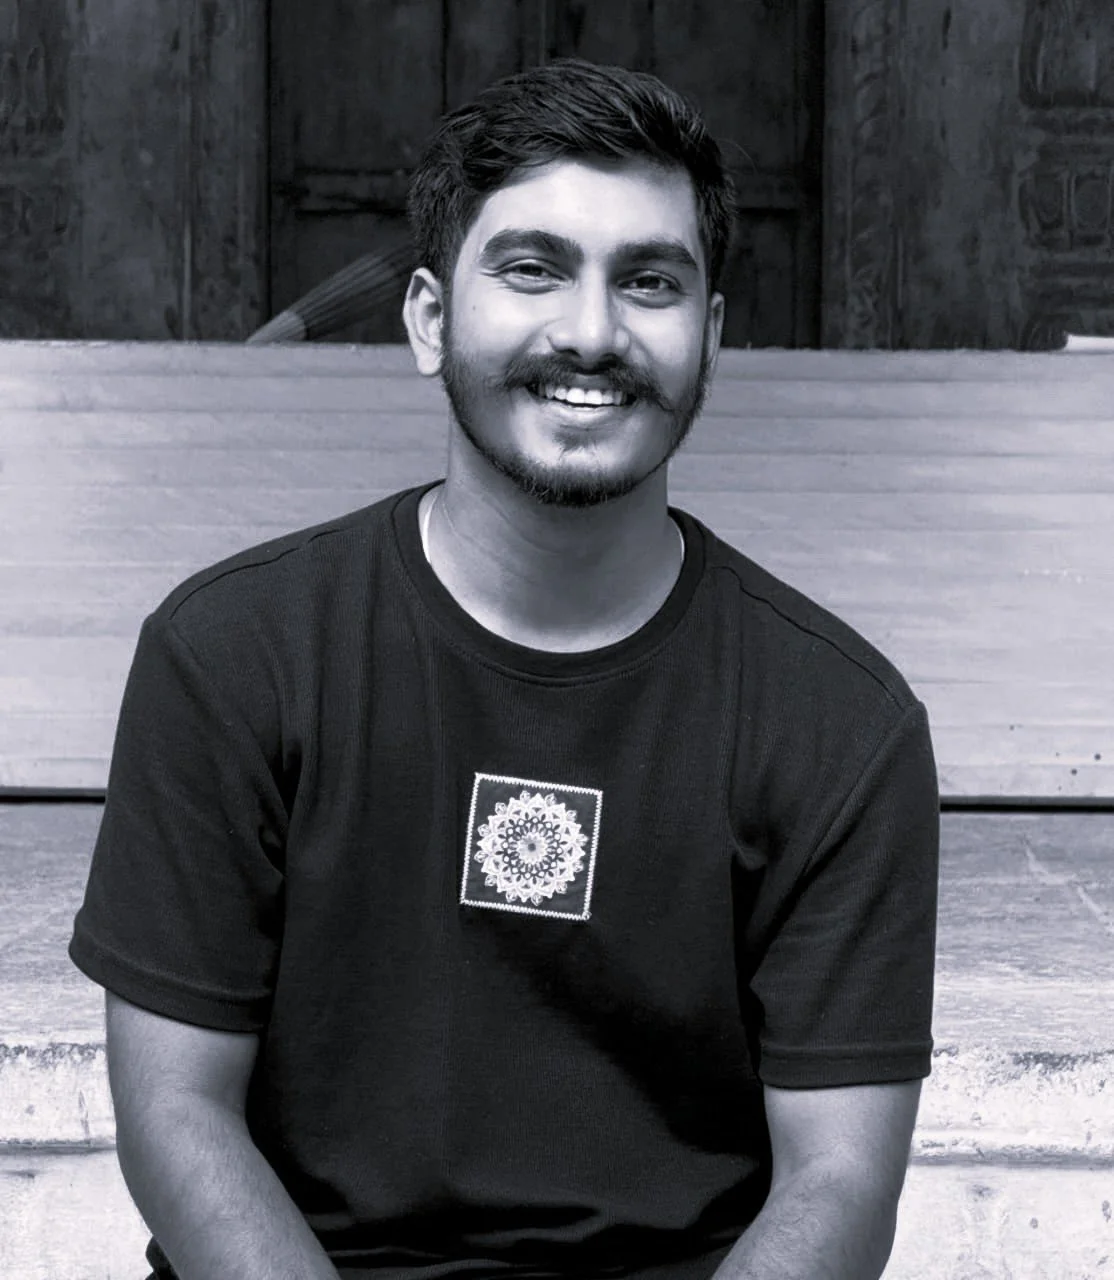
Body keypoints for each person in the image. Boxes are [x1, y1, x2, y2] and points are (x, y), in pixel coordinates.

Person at [69, 58, 939, 1280]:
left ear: (710, 335)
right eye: (532, 268)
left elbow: (838, 1181)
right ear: (429, 319)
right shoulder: (231, 656)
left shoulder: (840, 723)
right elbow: (175, 1113)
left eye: (649, 281)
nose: (590, 331)